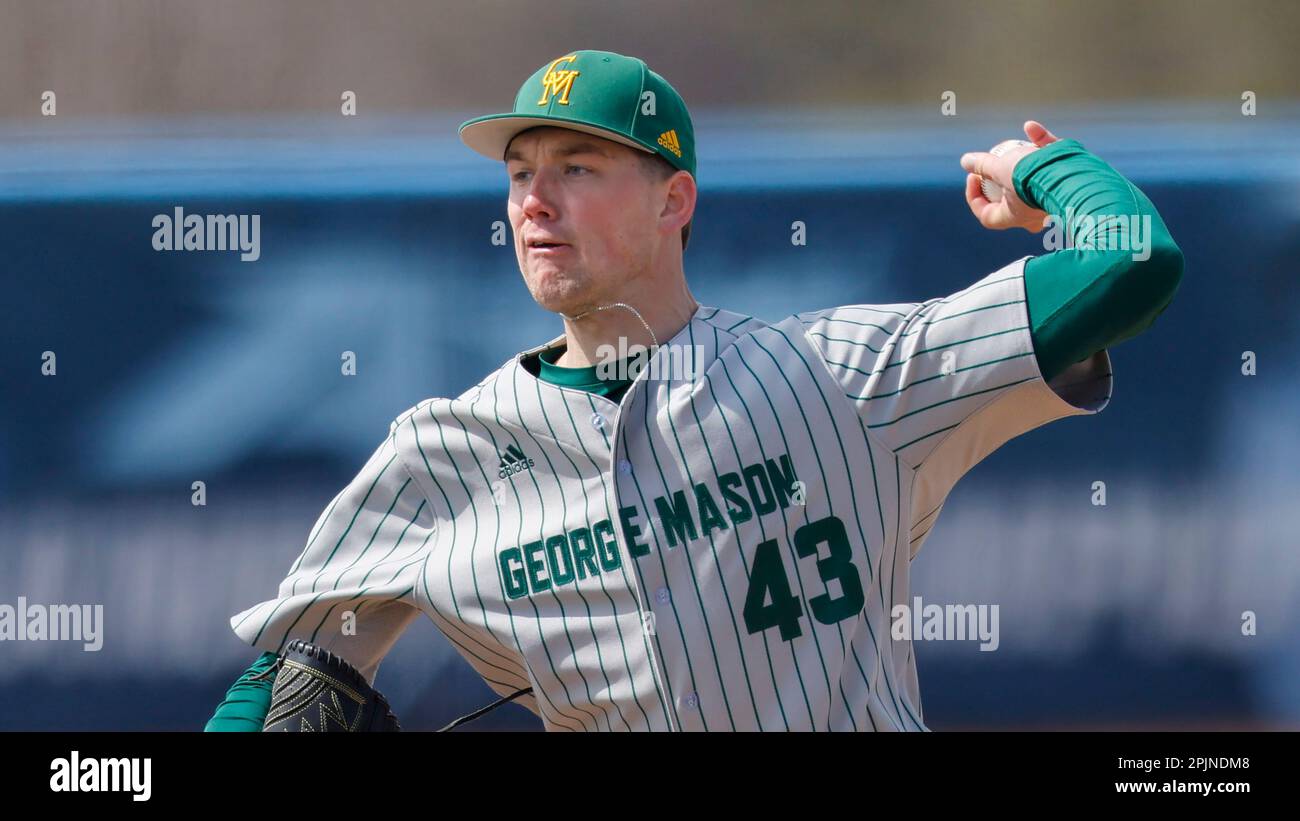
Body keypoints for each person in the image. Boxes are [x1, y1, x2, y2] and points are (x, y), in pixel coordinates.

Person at [206, 49, 1182, 731]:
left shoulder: (842, 375)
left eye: (577, 166)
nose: (535, 201)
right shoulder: (436, 458)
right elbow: (284, 682)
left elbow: (1130, 261)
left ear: (674, 199)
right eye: (519, 173)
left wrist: (1041, 167)